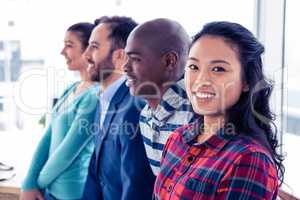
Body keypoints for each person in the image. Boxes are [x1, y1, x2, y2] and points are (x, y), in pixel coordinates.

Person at [154, 21, 284, 199]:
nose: (201, 80)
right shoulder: (177, 139)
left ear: (246, 81)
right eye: (193, 67)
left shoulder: (249, 159)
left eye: (218, 69)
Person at [21, 22, 99, 200]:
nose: (62, 51)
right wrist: (29, 183)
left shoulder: (95, 96)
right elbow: (47, 138)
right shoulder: (71, 89)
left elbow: (67, 153)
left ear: (89, 50)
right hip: (49, 191)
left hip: (71, 194)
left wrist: (36, 185)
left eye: (69, 45)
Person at [82, 16, 155, 200]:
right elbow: (95, 169)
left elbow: (136, 185)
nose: (86, 55)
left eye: (95, 47)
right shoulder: (104, 98)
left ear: (120, 56)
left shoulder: (136, 106)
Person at [124, 18, 197, 176]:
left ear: (170, 61)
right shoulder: (146, 115)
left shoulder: (195, 113)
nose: (125, 67)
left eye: (135, 59)